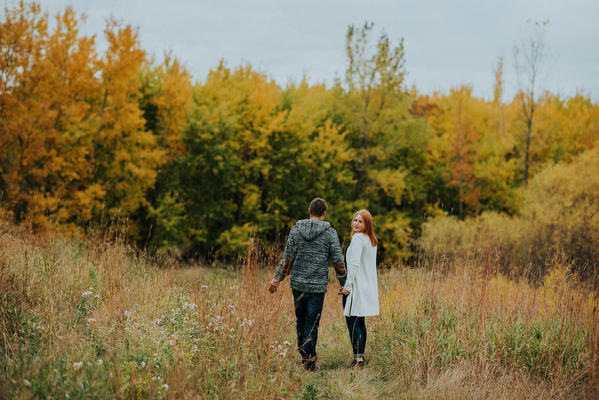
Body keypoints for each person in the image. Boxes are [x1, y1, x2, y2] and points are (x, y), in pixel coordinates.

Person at [268, 198, 346, 372]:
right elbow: (338, 262)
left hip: (298, 285)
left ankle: (304, 357)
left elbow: (287, 259)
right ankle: (309, 363)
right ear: (324, 213)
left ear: (309, 211)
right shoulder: (330, 233)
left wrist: (276, 280)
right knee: (312, 324)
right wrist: (344, 283)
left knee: (301, 321)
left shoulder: (295, 231)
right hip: (317, 288)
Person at [338, 209, 379, 368]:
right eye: (355, 220)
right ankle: (360, 358)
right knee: (360, 323)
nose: (356, 223)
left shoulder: (357, 240)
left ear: (366, 224)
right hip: (367, 287)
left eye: (360, 221)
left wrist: (347, 287)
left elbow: (354, 265)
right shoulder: (371, 240)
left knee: (353, 324)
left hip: (356, 288)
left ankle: (358, 361)